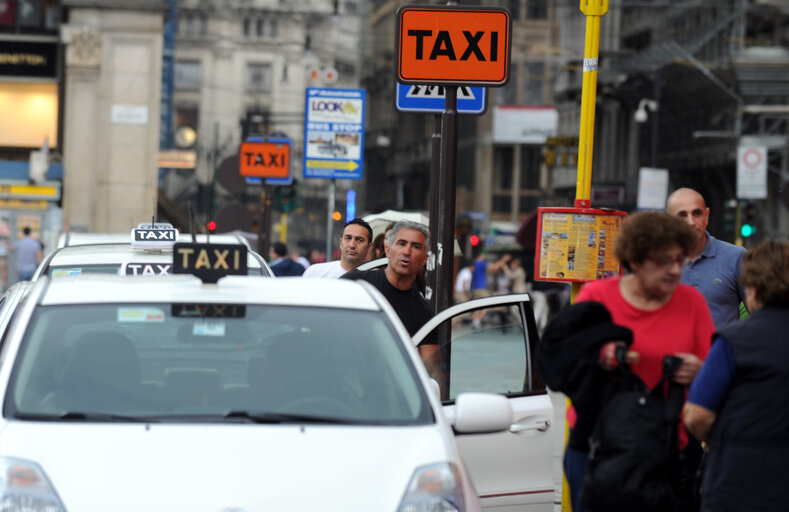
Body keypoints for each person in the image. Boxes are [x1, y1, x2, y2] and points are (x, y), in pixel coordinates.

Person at [559, 211, 715, 512]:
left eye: (679, 260)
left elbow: (714, 370)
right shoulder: (597, 295)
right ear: (635, 260)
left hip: (666, 448)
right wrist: (601, 357)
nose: (674, 270)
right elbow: (563, 360)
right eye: (663, 261)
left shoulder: (691, 302)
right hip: (598, 446)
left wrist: (699, 370)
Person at [683, 239, 789, 512]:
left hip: (739, 481)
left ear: (752, 288)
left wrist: (724, 439)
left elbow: (697, 415)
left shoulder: (733, 341)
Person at [342, 220, 438, 375]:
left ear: (425, 258)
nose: (407, 252)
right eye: (401, 243)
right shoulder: (355, 284)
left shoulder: (424, 315)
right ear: (388, 249)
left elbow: (431, 374)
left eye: (416, 246)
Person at [666, 187, 747, 330]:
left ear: (707, 216)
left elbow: (762, 315)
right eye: (682, 215)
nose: (691, 222)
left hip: (722, 351)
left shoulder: (736, 258)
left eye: (697, 213)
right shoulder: (655, 261)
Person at [303, 218, 373, 278]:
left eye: (359, 240)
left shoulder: (375, 280)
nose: (352, 245)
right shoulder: (315, 273)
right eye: (348, 238)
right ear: (341, 243)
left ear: (369, 247)